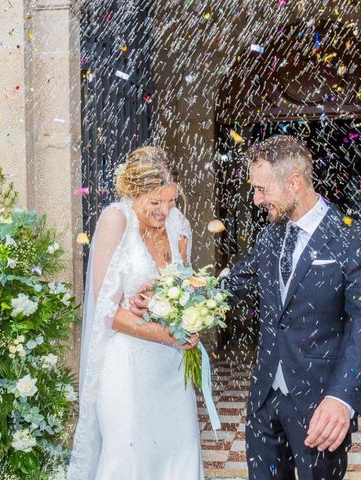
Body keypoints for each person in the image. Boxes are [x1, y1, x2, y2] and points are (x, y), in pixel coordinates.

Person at [228, 135, 361, 479]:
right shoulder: (269, 236)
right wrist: (175, 298)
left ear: (294, 183)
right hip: (264, 401)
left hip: (320, 406)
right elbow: (234, 285)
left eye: (262, 189)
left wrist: (341, 398)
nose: (256, 199)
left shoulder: (353, 238)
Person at [68, 146, 203, 480]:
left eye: (170, 201)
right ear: (133, 190)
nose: (164, 211)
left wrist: (192, 313)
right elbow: (105, 311)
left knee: (178, 453)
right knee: (131, 456)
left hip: (171, 369)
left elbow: (190, 286)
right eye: (155, 203)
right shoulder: (116, 220)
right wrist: (164, 333)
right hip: (126, 366)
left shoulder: (179, 225)